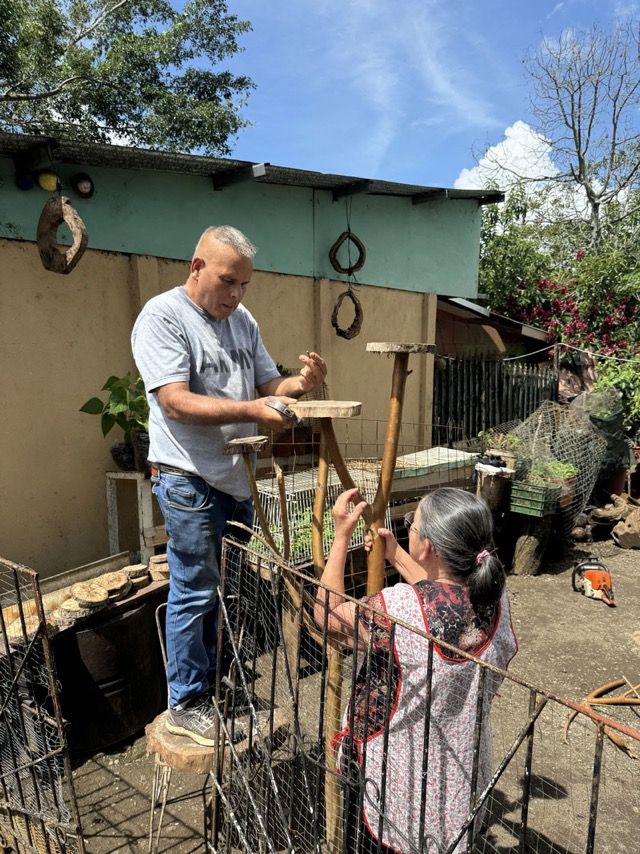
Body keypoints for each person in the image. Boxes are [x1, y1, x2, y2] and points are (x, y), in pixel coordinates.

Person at [132, 225, 327, 747]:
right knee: (194, 591)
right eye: (227, 281)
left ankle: (215, 685)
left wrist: (298, 387)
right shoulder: (163, 317)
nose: (236, 294)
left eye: (244, 284)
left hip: (237, 481)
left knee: (232, 592)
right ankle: (186, 704)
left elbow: (270, 386)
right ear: (196, 267)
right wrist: (252, 411)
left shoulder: (242, 320)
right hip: (188, 479)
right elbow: (174, 400)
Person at [314, 487, 517, 854]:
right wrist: (397, 556)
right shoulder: (495, 596)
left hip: (396, 784)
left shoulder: (400, 609)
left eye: (413, 524)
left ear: (429, 548)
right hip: (460, 778)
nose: (408, 527)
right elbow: (440, 596)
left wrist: (340, 535)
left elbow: (328, 617)